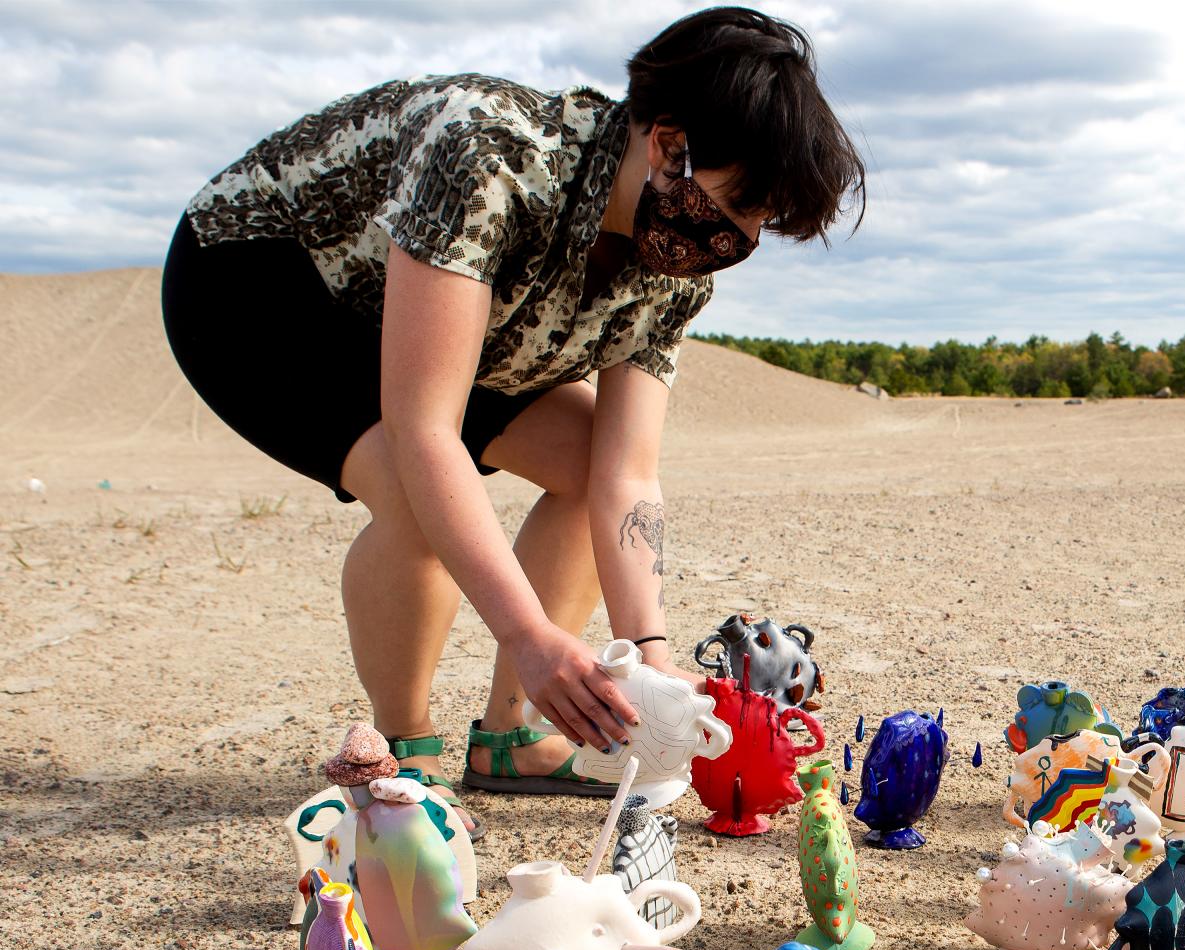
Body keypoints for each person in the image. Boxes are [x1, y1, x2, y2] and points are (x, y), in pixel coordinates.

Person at [161, 7, 863, 829]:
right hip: (264, 283)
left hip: (441, 315)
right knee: (416, 491)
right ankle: (403, 755)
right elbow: (427, 426)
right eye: (740, 204)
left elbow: (625, 475)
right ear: (670, 145)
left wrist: (652, 662)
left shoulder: (674, 271)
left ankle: (512, 736)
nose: (739, 239)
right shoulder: (488, 153)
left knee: (581, 461)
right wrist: (530, 633)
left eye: (759, 225)